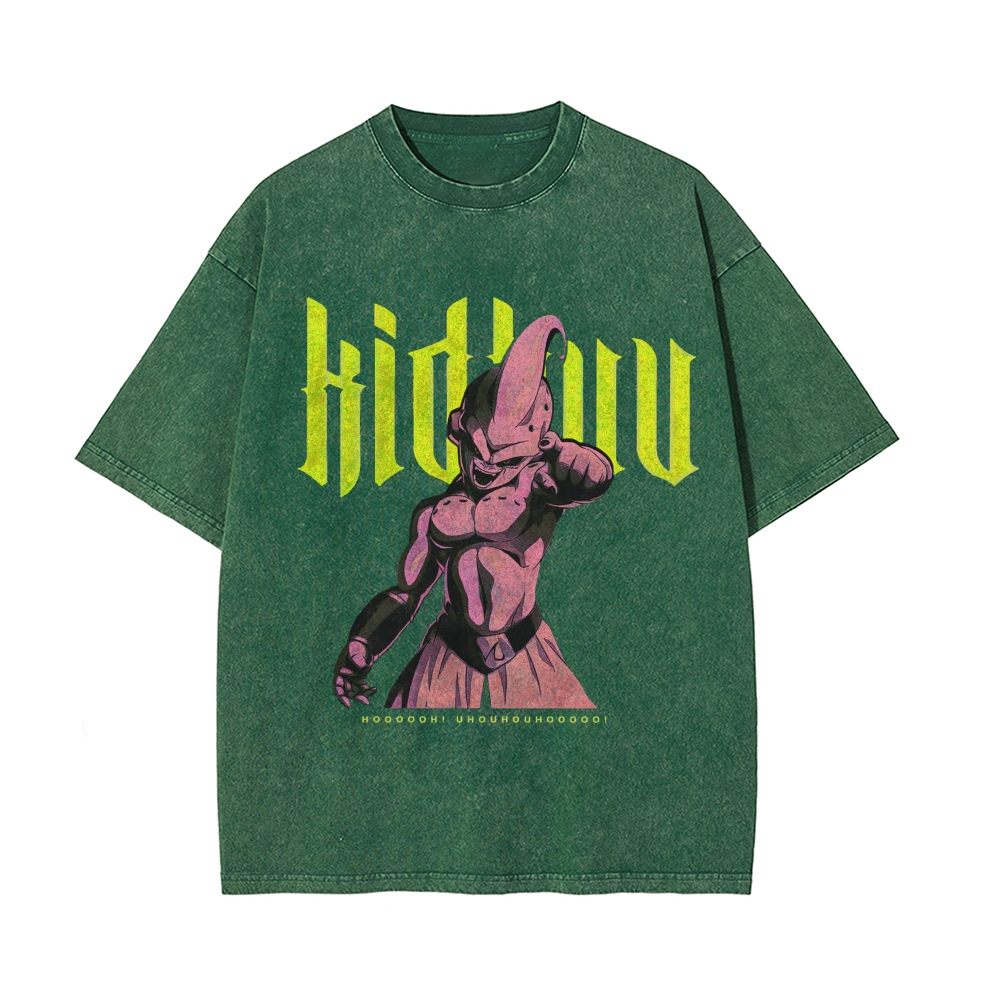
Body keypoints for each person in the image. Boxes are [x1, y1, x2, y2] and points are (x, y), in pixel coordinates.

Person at [333, 315, 613, 710]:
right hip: (447, 658)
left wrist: (575, 459)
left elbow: (591, 478)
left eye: (507, 459)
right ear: (458, 431)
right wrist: (362, 644)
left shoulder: (539, 491)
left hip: (527, 656)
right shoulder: (434, 515)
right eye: (476, 450)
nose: (487, 467)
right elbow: (406, 593)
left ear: (539, 448)